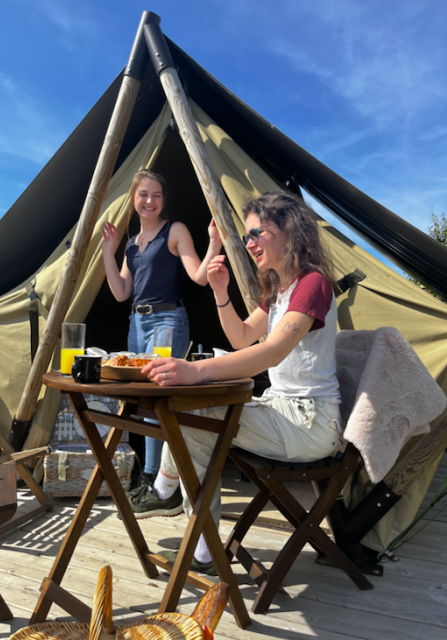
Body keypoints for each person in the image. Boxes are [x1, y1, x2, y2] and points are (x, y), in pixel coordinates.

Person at [127, 190, 343, 575]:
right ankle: (196, 534)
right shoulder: (280, 290)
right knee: (192, 417)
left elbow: (271, 351)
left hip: (309, 423)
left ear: (288, 230)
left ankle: (168, 495)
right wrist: (221, 293)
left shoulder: (313, 283)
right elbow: (242, 338)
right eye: (246, 237)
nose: (249, 243)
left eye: (257, 233)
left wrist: (196, 371)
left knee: (194, 416)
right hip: (282, 413)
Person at [101, 169, 222, 487]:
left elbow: (198, 276)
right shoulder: (131, 244)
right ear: (134, 198)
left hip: (168, 320)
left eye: (156, 194)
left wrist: (214, 244)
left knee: (157, 397)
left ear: (164, 199)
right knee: (143, 398)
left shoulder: (174, 230)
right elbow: (121, 293)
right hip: (136, 324)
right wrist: (107, 251)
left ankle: (154, 478)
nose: (149, 200)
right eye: (143, 194)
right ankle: (156, 474)